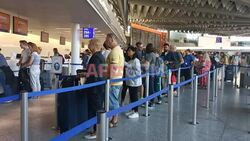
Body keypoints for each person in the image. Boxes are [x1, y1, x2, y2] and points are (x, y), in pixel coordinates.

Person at [84, 38, 105, 140]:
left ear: (94, 45)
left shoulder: (96, 57)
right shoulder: (99, 56)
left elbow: (94, 74)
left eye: (89, 43)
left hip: (95, 88)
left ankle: (96, 131)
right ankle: (96, 130)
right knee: (97, 108)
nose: (88, 45)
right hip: (98, 87)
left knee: (96, 109)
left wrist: (87, 76)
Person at [105, 33, 124, 128]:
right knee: (114, 100)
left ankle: (115, 119)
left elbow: (114, 68)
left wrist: (109, 82)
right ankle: (114, 119)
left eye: (107, 40)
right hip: (117, 81)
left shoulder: (115, 52)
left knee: (113, 101)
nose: (106, 42)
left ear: (112, 39)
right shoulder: (118, 50)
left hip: (114, 82)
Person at [124, 46, 142, 119]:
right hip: (130, 81)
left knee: (134, 96)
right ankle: (133, 110)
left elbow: (138, 72)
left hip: (134, 82)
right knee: (131, 96)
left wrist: (128, 66)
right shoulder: (130, 60)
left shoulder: (136, 60)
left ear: (134, 52)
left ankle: (136, 112)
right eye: (128, 51)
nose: (128, 52)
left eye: (130, 51)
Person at [143, 43, 157, 108]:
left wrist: (140, 64)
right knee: (151, 86)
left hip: (149, 72)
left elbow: (146, 64)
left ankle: (151, 102)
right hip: (153, 71)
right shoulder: (154, 54)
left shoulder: (149, 55)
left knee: (150, 87)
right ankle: (150, 101)